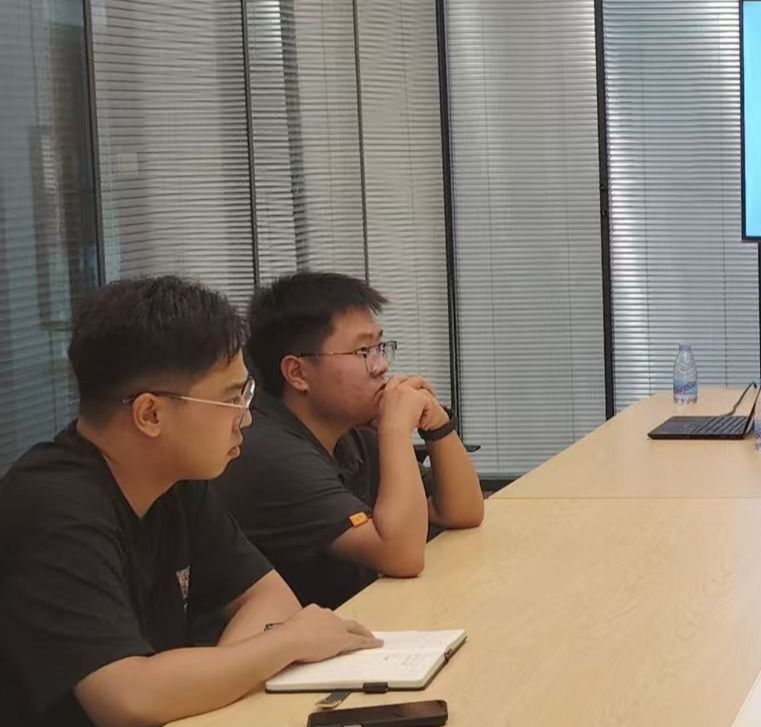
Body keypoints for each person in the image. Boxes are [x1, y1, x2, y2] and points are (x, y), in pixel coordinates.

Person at [0, 276, 379, 727]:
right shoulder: (53, 506)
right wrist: (287, 644)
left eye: (246, 394)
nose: (246, 419)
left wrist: (213, 679)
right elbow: (126, 697)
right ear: (150, 414)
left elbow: (269, 596)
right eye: (232, 399)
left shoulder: (174, 479)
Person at [218, 272, 483, 610]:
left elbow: (463, 510)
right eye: (363, 351)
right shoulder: (269, 453)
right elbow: (402, 555)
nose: (381, 365)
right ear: (297, 373)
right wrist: (396, 430)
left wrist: (438, 426)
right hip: (286, 639)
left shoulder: (349, 433)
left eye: (380, 347)